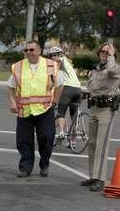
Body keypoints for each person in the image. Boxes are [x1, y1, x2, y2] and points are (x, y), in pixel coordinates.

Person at [7, 40, 62, 177]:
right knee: (23, 140)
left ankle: (44, 164)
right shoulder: (18, 67)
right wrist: (12, 102)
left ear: (39, 51)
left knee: (47, 138)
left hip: (45, 109)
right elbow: (10, 86)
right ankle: (25, 167)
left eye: (31, 50)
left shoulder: (51, 66)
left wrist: (55, 101)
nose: (28, 53)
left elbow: (60, 85)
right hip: (24, 110)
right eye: (26, 50)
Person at [82, 43, 120, 191]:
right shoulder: (96, 68)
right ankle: (93, 175)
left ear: (112, 54)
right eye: (102, 51)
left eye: (107, 52)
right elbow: (91, 87)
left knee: (101, 144)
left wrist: (111, 55)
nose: (104, 54)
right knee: (92, 143)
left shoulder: (115, 68)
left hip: (107, 110)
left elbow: (111, 71)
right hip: (95, 108)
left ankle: (100, 178)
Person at [46, 46, 83, 143]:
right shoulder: (68, 62)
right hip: (78, 89)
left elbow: (55, 77)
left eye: (53, 55)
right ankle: (73, 141)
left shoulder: (59, 61)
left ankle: (61, 132)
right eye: (51, 56)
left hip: (67, 88)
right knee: (74, 116)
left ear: (59, 55)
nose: (52, 57)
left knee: (60, 112)